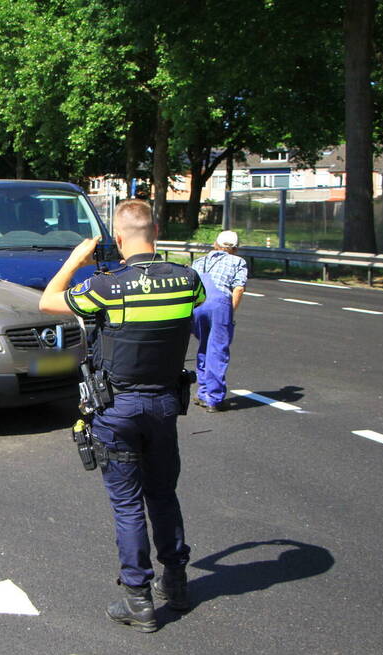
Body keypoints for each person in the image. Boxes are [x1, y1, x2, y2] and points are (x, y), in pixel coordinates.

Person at [39, 199, 206, 632]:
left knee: (128, 504)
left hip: (117, 410)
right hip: (165, 406)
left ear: (117, 239)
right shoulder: (187, 281)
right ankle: (178, 584)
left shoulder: (105, 286)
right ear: (158, 231)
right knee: (164, 495)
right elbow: (199, 306)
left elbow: (48, 302)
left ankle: (139, 600)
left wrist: (76, 259)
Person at [190, 230, 247, 413]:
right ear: (235, 248)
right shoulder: (238, 262)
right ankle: (214, 399)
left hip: (197, 305)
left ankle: (203, 391)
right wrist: (230, 313)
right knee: (217, 349)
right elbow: (238, 289)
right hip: (219, 304)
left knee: (204, 346)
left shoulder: (199, 261)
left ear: (215, 244)